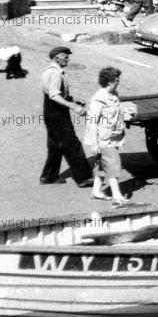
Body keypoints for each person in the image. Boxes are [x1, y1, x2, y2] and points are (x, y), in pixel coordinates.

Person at [39, 46, 93, 187]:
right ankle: (84, 178)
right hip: (57, 113)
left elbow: (53, 93)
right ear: (57, 57)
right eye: (65, 56)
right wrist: (73, 106)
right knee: (72, 144)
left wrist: (72, 100)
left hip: (50, 111)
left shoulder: (48, 71)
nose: (68, 58)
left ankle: (49, 176)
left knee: (56, 145)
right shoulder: (56, 73)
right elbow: (54, 95)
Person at [84, 66, 130, 204]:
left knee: (102, 165)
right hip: (103, 139)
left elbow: (116, 113)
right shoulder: (99, 99)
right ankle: (117, 196)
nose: (118, 81)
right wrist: (94, 143)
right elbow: (92, 122)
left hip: (113, 137)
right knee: (113, 164)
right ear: (109, 81)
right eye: (116, 79)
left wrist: (126, 114)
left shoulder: (114, 95)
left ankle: (97, 191)